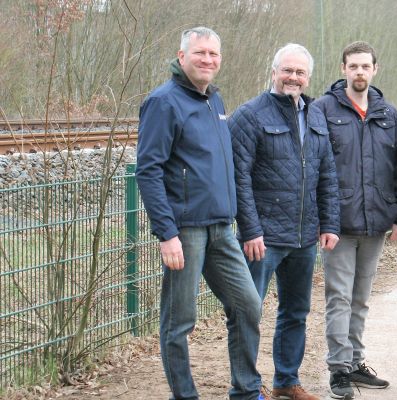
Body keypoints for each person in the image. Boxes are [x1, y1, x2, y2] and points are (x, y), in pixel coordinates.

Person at [135, 27, 264, 400]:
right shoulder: (163, 102)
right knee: (179, 321)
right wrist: (167, 233)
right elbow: (148, 170)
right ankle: (185, 395)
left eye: (213, 54)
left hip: (222, 228)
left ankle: (246, 389)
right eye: (200, 53)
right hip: (185, 231)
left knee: (247, 305)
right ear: (182, 56)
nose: (207, 60)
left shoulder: (215, 102)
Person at [228, 43, 340, 400]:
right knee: (248, 312)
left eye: (300, 72)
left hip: (305, 237)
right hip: (263, 237)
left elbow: (327, 174)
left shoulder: (317, 114)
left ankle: (286, 382)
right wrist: (250, 229)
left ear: (308, 77)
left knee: (296, 311)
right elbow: (238, 178)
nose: (294, 77)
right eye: (287, 70)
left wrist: (329, 223)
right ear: (274, 71)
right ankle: (246, 387)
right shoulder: (250, 115)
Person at [309, 41, 397, 400]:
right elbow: (316, 167)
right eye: (353, 66)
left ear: (375, 69)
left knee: (361, 297)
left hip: (376, 221)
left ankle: (355, 361)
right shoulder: (323, 109)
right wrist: (323, 220)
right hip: (338, 223)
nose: (359, 72)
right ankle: (339, 369)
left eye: (365, 66)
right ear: (343, 69)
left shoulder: (387, 113)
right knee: (339, 296)